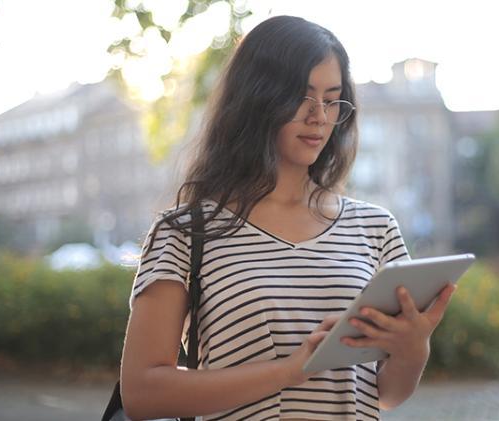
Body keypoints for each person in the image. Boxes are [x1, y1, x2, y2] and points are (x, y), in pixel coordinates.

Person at [120, 15, 456, 421]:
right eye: (302, 96)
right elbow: (141, 393)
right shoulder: (186, 232)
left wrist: (414, 347)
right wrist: (289, 371)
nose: (319, 116)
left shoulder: (375, 228)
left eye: (332, 99)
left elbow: (385, 393)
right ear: (257, 98)